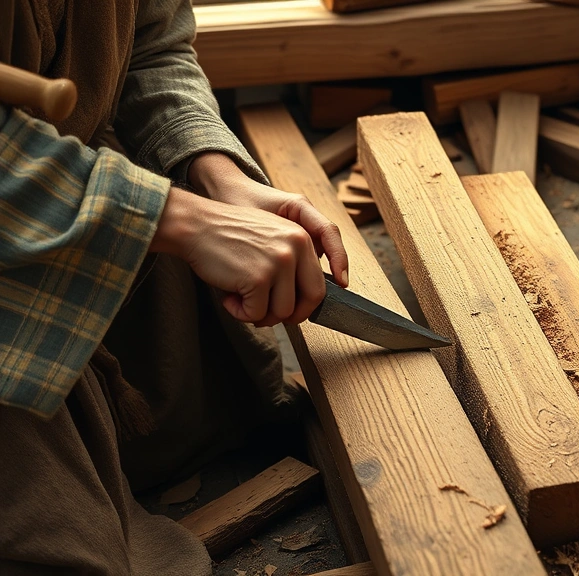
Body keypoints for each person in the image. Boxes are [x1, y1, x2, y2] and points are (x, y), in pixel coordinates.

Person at [0, 1, 349, 573]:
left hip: (82, 183)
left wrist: (216, 174)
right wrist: (181, 221)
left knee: (210, 415)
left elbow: (151, 42)